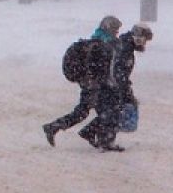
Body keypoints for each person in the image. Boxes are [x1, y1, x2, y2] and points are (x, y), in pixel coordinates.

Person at [43, 15, 120, 150]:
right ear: (108, 28)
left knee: (85, 112)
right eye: (115, 29)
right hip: (94, 85)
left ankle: (55, 127)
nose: (116, 33)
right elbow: (101, 68)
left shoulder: (96, 40)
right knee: (107, 112)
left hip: (89, 83)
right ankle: (102, 140)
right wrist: (105, 83)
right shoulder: (103, 44)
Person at [83, 24, 153, 150]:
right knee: (115, 111)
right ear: (138, 37)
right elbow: (118, 72)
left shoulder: (125, 44)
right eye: (145, 39)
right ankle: (104, 140)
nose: (145, 44)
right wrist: (125, 91)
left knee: (112, 111)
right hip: (110, 84)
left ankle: (93, 133)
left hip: (108, 83)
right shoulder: (125, 48)